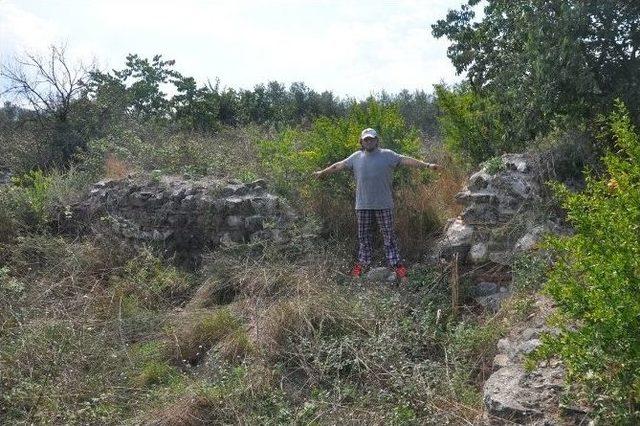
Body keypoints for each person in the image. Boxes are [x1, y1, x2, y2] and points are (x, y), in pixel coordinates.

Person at [313, 128, 441, 281]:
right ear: (361, 142)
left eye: (371, 139)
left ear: (377, 140)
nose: (369, 141)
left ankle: (396, 265)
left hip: (384, 204)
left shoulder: (387, 155)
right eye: (366, 139)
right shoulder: (356, 157)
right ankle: (363, 263)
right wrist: (323, 173)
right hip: (363, 205)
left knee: (389, 236)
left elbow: (406, 160)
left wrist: (427, 165)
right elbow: (338, 166)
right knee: (364, 237)